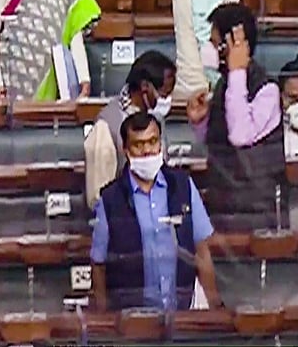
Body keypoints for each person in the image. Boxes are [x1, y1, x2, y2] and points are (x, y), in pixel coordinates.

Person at [90, 112, 221, 311]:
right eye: (138, 144)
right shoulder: (110, 198)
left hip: (181, 311)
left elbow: (202, 249)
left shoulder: (183, 186)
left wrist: (214, 306)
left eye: (152, 142)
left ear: (161, 144)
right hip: (132, 318)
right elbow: (98, 264)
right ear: (125, 149)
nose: (147, 151)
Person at [187, 3, 284, 232]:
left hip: (257, 213)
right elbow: (219, 142)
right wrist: (201, 122)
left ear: (231, 45)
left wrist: (238, 71)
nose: (209, 48)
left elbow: (241, 135)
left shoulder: (266, 89)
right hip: (223, 203)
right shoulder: (226, 84)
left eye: (214, 42)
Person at [84, 51, 176, 208]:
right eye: (163, 94)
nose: (167, 100)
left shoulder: (156, 118)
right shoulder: (107, 125)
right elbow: (98, 198)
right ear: (145, 87)